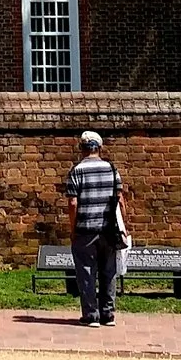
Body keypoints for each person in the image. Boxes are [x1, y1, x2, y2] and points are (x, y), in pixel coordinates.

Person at [61, 130, 126, 326]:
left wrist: (73, 229)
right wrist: (124, 226)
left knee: (86, 272)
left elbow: (73, 203)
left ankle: (91, 316)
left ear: (81, 148)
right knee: (109, 271)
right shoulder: (112, 169)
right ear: (100, 148)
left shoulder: (76, 171)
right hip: (108, 229)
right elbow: (121, 200)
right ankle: (108, 314)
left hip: (85, 229)